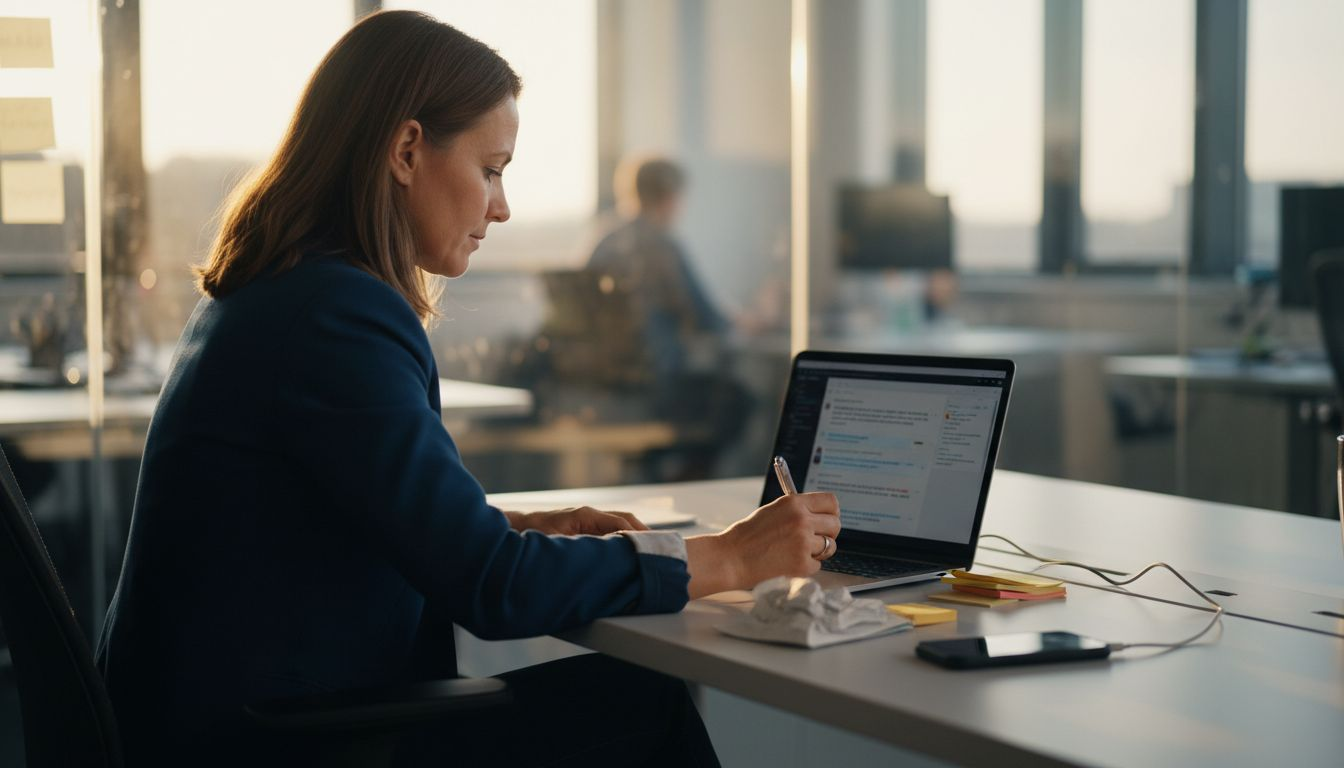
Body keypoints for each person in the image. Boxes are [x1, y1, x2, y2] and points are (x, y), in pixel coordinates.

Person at [93, 11, 840, 767]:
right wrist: (731, 558)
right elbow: (490, 589)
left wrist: (525, 528)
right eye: (491, 169)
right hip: (273, 743)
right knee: (644, 707)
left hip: (211, 724)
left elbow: (344, 519)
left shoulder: (273, 293)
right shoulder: (337, 316)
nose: (501, 206)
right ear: (408, 149)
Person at [583, 158, 753, 478]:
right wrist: (752, 319)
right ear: (670, 197)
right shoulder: (661, 245)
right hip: (656, 390)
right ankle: (690, 486)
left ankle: (658, 476)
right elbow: (707, 318)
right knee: (738, 401)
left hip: (601, 392)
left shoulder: (603, 240)